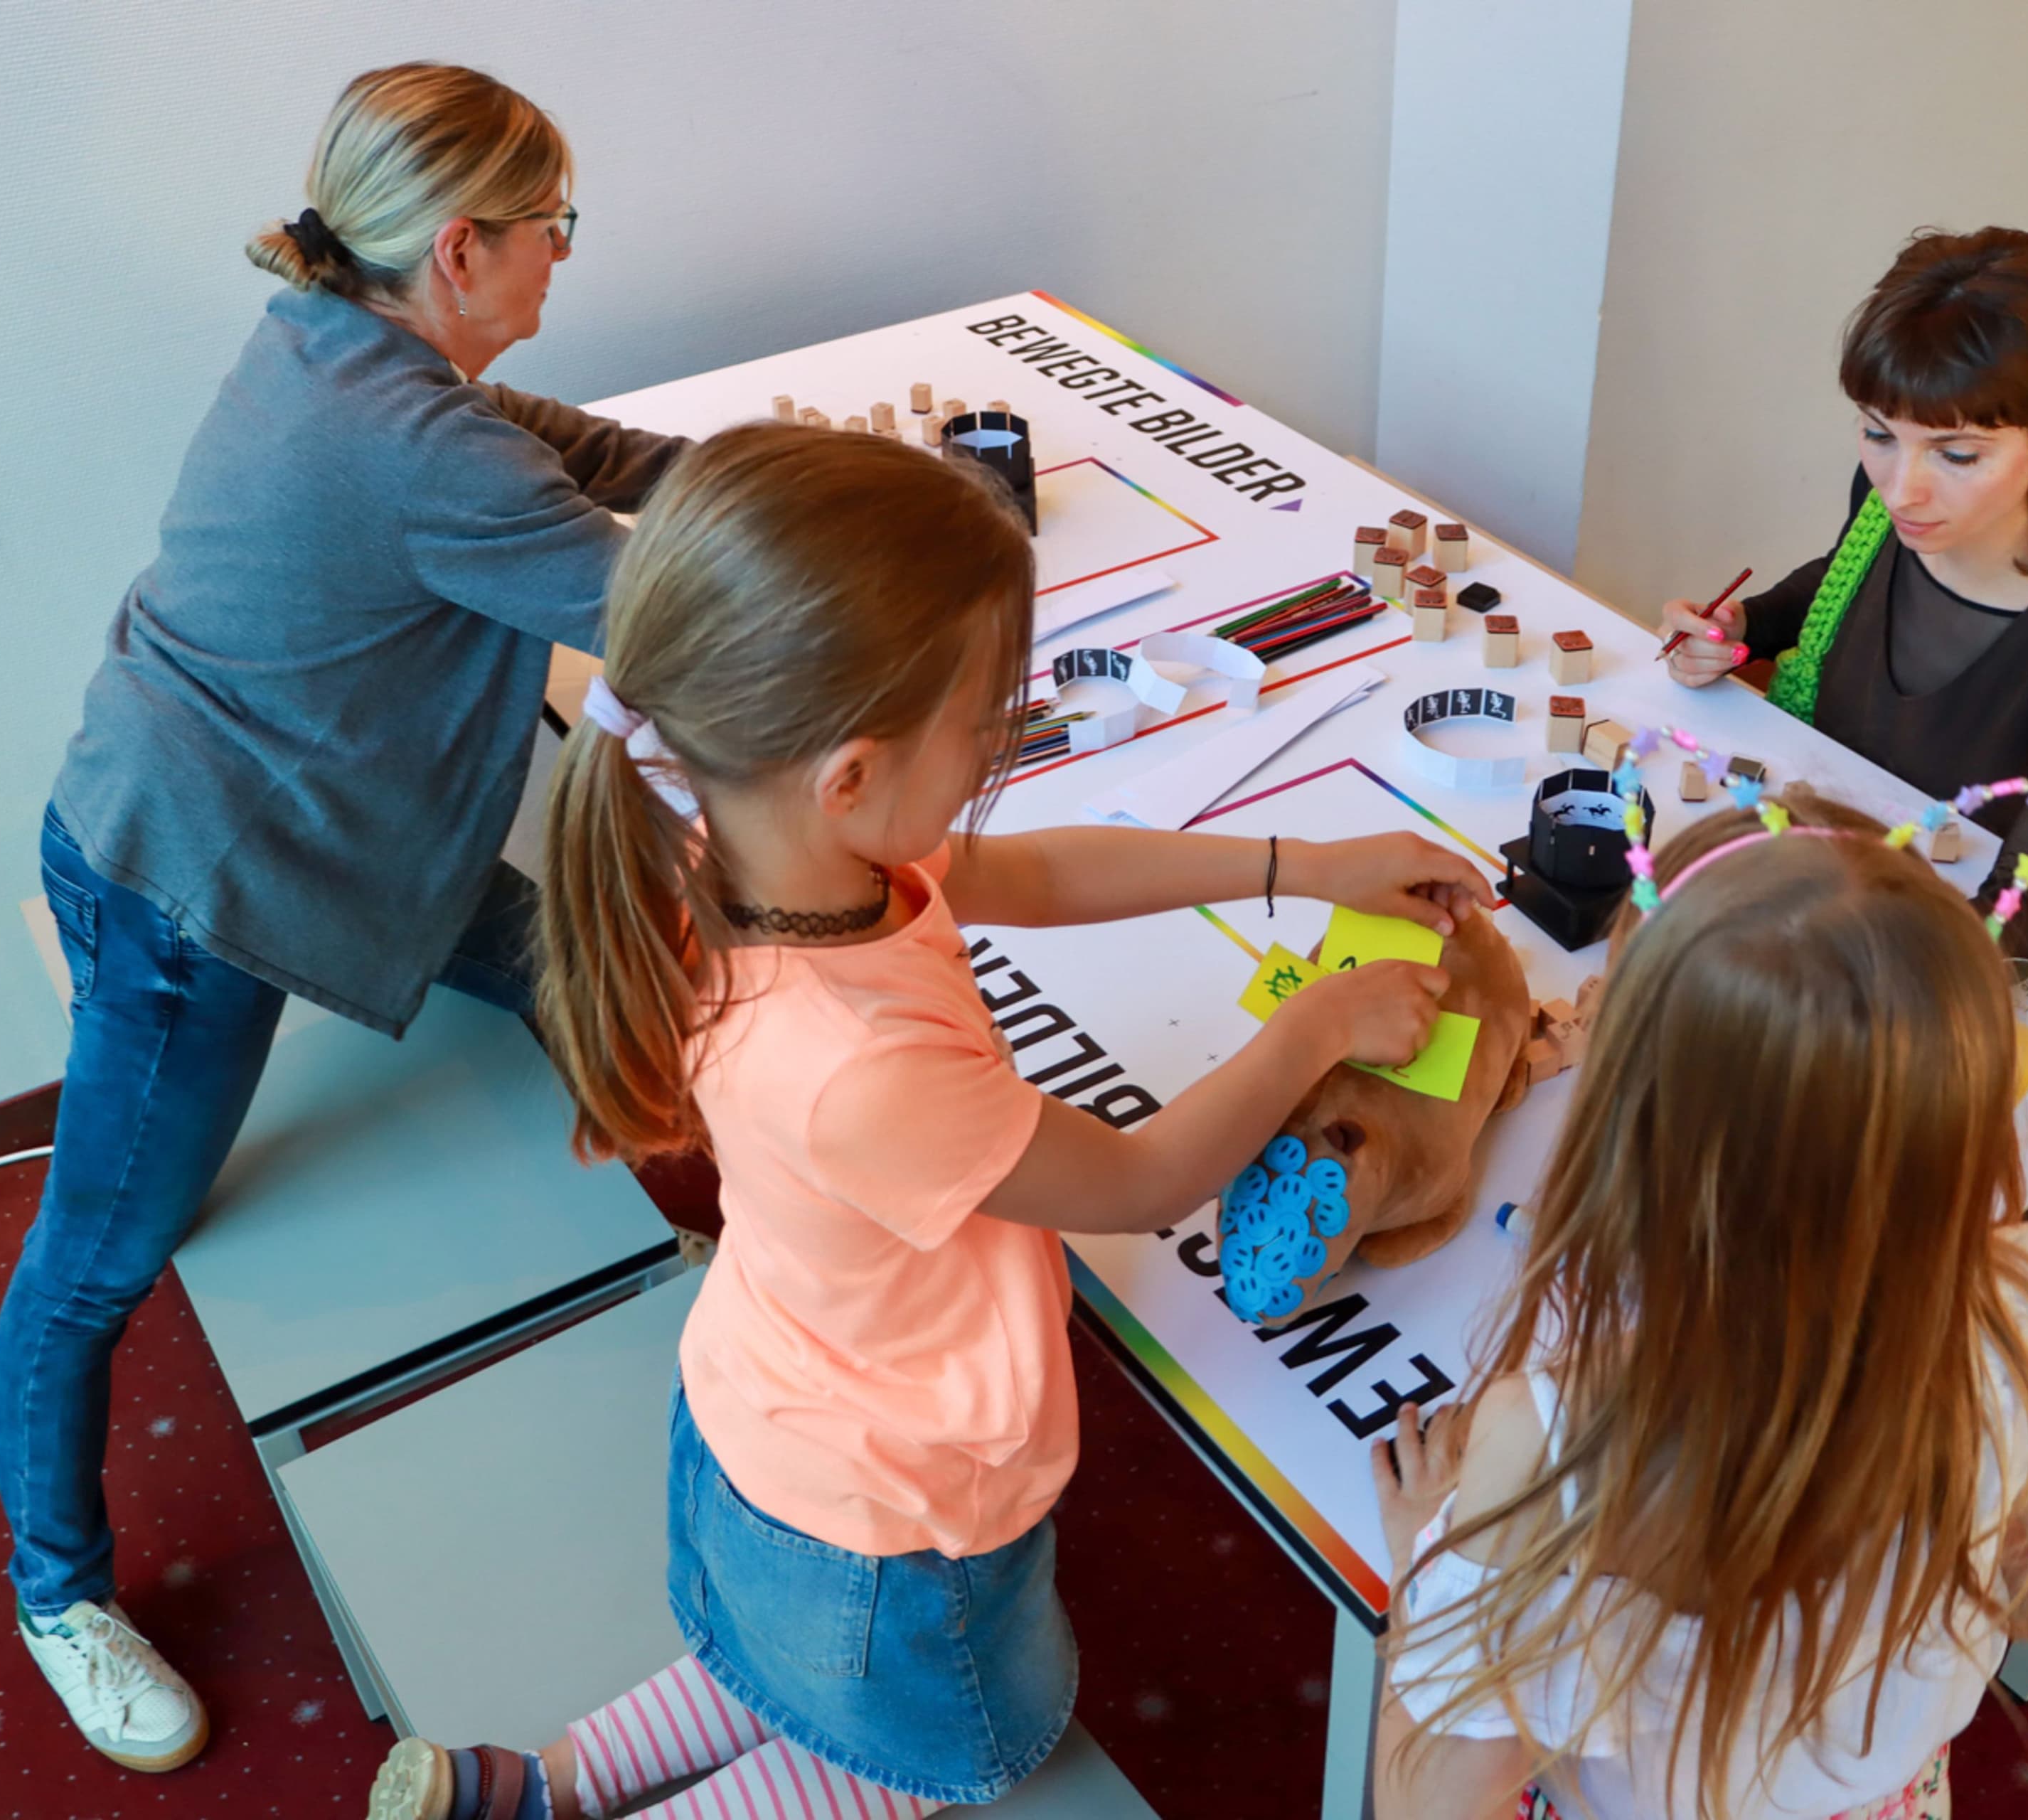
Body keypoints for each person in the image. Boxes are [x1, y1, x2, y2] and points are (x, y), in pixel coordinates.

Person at [363, 422, 1487, 1820]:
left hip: (761, 1426)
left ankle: (530, 1788)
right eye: (981, 723)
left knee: (767, 1665)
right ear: (850, 770)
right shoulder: (858, 1064)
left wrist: (1300, 862)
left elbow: (1034, 865)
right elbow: (1142, 1179)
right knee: (946, 1748)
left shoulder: (760, 836)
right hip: (892, 1525)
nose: (995, 748)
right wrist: (1318, 1022)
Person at [0, 63, 689, 1771]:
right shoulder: (406, 442)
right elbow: (672, 616)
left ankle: (683, 1264)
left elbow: (571, 454)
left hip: (293, 823)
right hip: (203, 893)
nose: (561, 263)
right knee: (97, 1261)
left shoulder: (344, 337)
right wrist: (845, 547)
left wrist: (763, 475)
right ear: (460, 249)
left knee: (573, 968)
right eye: (551, 232)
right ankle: (53, 1591)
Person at [1367, 761, 2028, 1819]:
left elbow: (1426, 1805)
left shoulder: (1557, 1430)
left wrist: (1435, 1557)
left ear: (1637, 1128)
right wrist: (1912, 1566)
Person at [1661, 227, 2028, 960]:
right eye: (1879, 434)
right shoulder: (1896, 507)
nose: (1901, 489)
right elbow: (1846, 578)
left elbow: (2027, 898)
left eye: (1957, 454)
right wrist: (1741, 626)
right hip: (1850, 863)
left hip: (1983, 936)